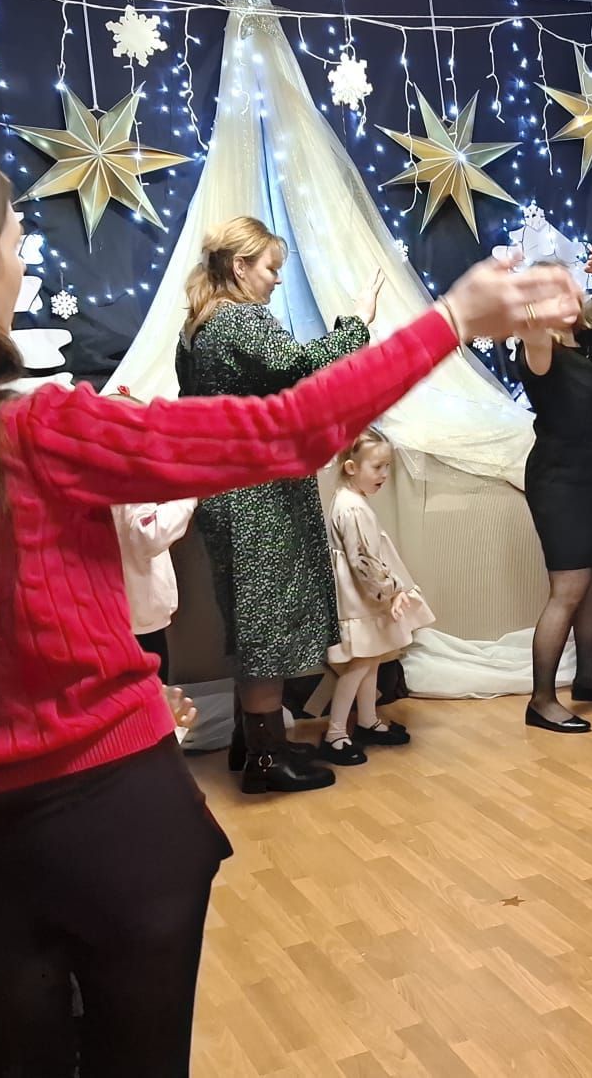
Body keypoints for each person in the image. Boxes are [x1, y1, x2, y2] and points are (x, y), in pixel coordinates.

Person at [0, 136, 579, 1076]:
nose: (24, 264)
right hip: (108, 825)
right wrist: (450, 319)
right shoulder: (35, 431)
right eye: (13, 245)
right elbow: (289, 429)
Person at [177, 222, 380, 794]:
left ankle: (253, 740)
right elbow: (301, 369)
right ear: (240, 267)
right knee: (265, 623)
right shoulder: (239, 319)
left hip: (229, 490)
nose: (277, 279)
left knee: (252, 619)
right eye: (270, 268)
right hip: (256, 495)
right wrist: (357, 324)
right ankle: (266, 761)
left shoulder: (198, 326)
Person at [519, 247, 592, 733]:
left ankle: (588, 678)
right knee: (568, 589)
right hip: (561, 483)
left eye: (570, 288)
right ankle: (541, 701)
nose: (570, 298)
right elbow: (529, 327)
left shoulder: (582, 330)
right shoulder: (538, 349)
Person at [321, 427, 433, 765]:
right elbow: (365, 562)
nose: (384, 474)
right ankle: (335, 734)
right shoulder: (352, 508)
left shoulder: (350, 500)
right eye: (377, 467)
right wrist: (392, 591)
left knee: (370, 661)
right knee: (359, 665)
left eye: (387, 467)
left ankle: (367, 720)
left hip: (365, 600)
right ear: (351, 467)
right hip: (363, 600)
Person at [111, 492, 196, 685]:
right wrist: (188, 496)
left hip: (122, 610)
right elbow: (148, 533)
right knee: (150, 693)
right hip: (135, 615)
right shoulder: (128, 478)